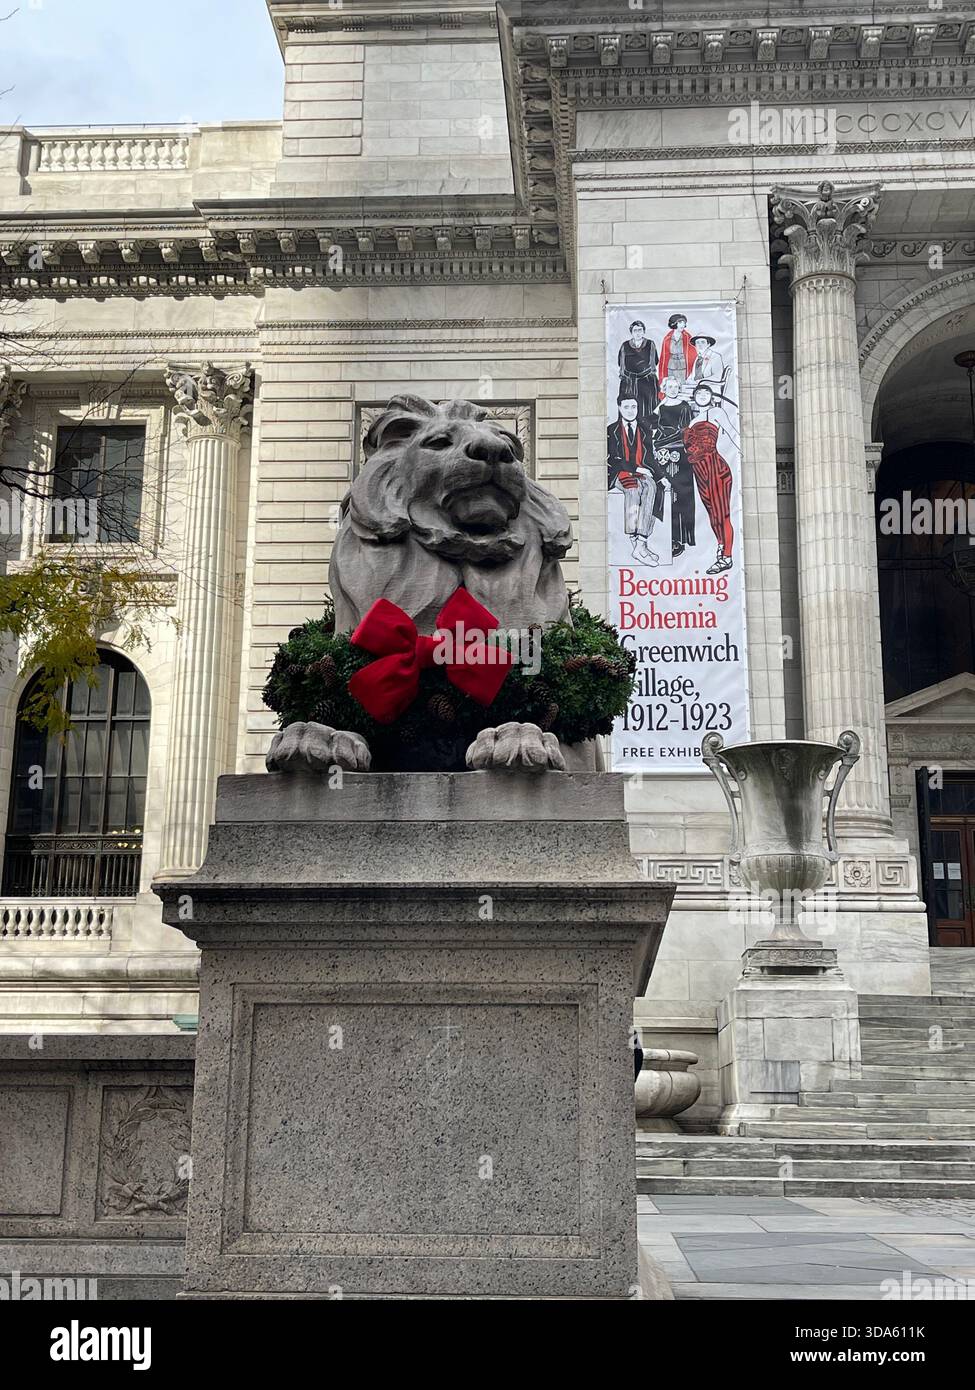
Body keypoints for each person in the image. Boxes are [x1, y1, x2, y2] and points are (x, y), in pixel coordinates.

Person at [607, 395, 667, 565]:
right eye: (626, 407)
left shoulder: (644, 429)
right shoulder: (611, 430)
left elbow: (650, 457)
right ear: (619, 408)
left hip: (643, 471)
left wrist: (661, 476)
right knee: (633, 490)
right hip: (620, 472)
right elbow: (614, 458)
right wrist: (636, 469)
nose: (630, 411)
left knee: (652, 487)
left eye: (633, 407)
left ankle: (640, 543)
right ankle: (638, 544)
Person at [684, 383, 736, 575]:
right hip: (699, 471)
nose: (703, 395)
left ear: (712, 396)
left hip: (715, 467)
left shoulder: (716, 413)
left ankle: (727, 556)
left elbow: (732, 432)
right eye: (699, 393)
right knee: (713, 515)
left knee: (723, 514)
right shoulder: (692, 420)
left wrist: (743, 454)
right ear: (694, 397)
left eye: (706, 392)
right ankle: (721, 548)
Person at [654, 377, 696, 556]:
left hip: (680, 455)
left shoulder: (685, 406)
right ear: (664, 388)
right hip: (662, 456)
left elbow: (686, 431)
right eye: (669, 387)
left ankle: (680, 538)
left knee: (681, 496)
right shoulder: (661, 407)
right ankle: (666, 537)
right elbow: (654, 427)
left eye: (675, 387)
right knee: (664, 494)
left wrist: (666, 436)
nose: (672, 389)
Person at [617, 320, 659, 429]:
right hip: (630, 380)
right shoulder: (625, 345)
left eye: (640, 330)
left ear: (644, 331)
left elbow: (654, 361)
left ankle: (648, 429)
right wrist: (628, 377)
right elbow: (621, 363)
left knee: (647, 405)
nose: (638, 333)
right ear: (631, 332)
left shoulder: (650, 344)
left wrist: (645, 374)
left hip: (646, 379)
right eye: (635, 330)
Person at [658, 313, 697, 396]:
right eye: (680, 322)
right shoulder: (667, 338)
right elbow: (663, 357)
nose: (682, 325)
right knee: (671, 386)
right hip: (670, 366)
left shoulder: (687, 337)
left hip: (683, 366)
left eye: (683, 322)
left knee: (682, 387)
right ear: (674, 324)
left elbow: (693, 354)